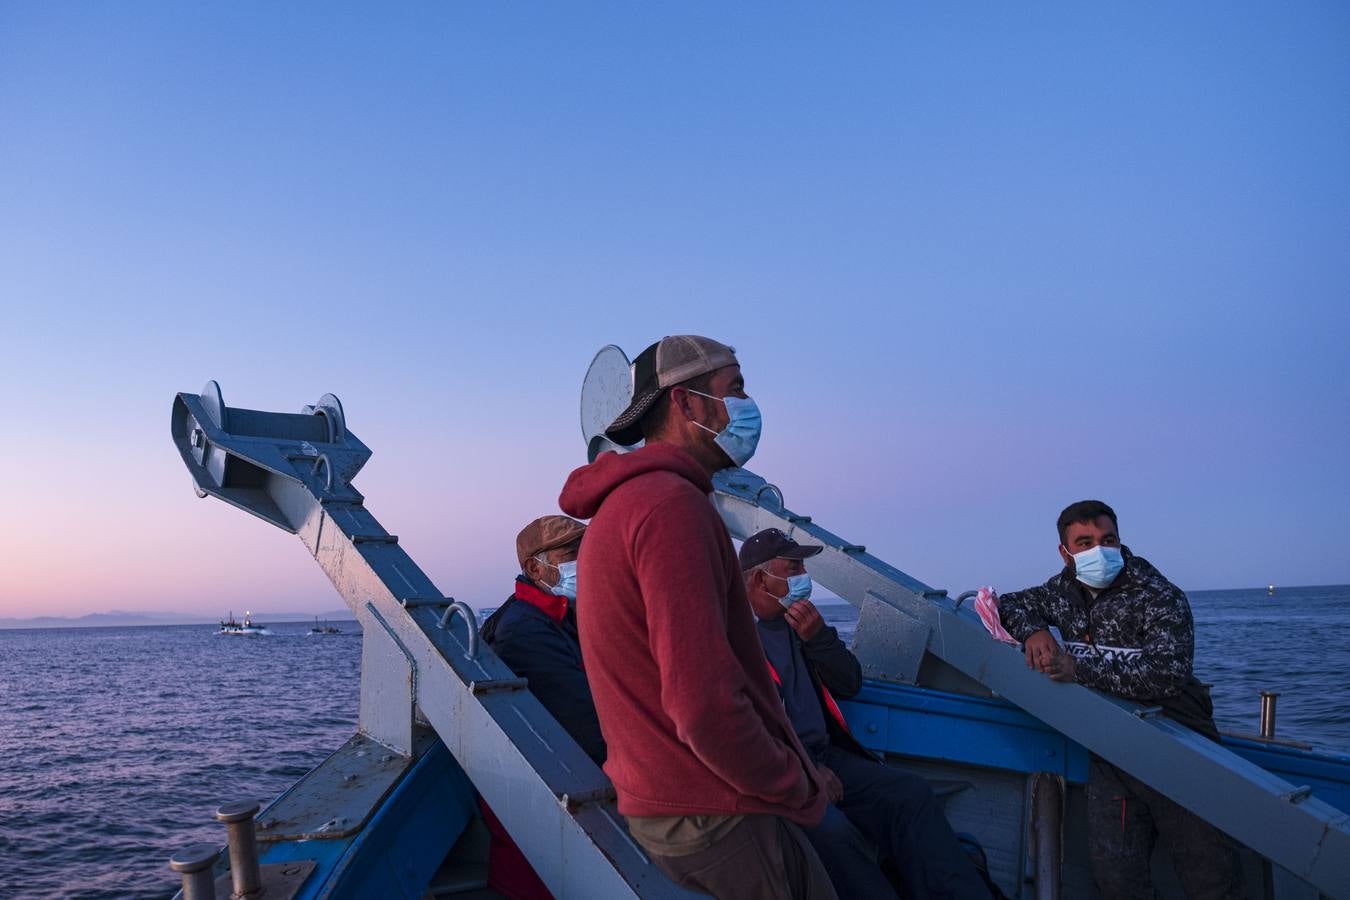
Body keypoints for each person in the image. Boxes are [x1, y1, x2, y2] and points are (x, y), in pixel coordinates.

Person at [559, 335, 837, 900]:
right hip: (716, 816)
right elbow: (703, 706)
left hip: (674, 803)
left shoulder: (632, 503)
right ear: (686, 404)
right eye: (734, 388)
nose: (747, 403)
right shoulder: (671, 508)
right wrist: (794, 785)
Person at [997, 500, 1242, 900]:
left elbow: (1166, 673)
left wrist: (1080, 670)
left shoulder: (1158, 595)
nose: (1099, 550)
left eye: (1107, 539)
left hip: (1178, 743)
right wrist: (1034, 632)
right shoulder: (1062, 591)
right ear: (1065, 553)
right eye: (1085, 542)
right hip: (1110, 747)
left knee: (1211, 880)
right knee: (1116, 879)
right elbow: (1009, 603)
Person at [740, 527, 995, 900]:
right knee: (836, 834)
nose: (802, 579)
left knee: (909, 794)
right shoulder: (738, 641)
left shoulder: (803, 627)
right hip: (782, 773)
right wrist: (805, 771)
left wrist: (819, 638)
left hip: (828, 758)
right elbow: (743, 733)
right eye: (793, 569)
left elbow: (849, 684)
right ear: (762, 579)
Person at [478, 513, 601, 900]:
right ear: (536, 568)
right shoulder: (525, 630)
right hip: (544, 824)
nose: (587, 560)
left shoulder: (561, 617)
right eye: (572, 553)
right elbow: (587, 729)